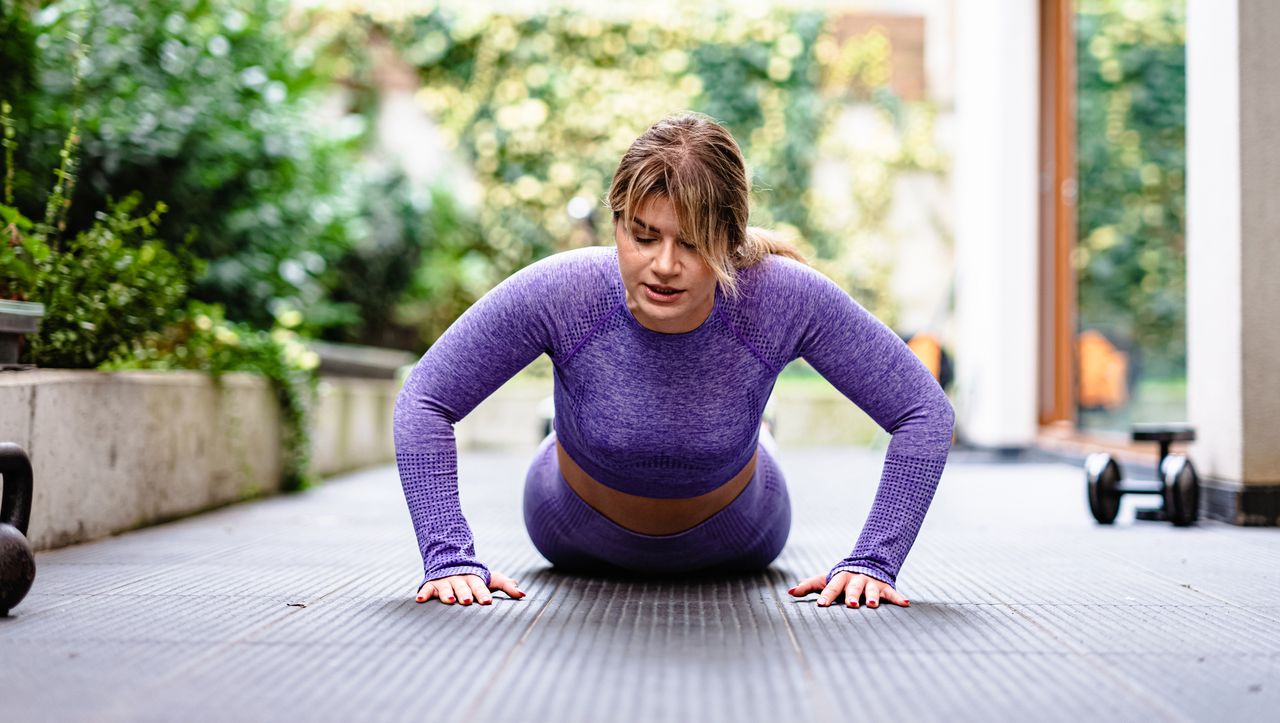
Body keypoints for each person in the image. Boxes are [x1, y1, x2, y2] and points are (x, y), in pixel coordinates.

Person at [393, 111, 955, 610]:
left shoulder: (783, 296)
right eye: (642, 236)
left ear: (732, 241)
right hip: (570, 531)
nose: (664, 265)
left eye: (691, 243)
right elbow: (424, 400)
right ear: (616, 225)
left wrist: (873, 562)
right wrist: (448, 557)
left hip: (740, 535)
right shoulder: (564, 290)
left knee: (744, 438)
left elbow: (924, 412)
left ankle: (758, 432)